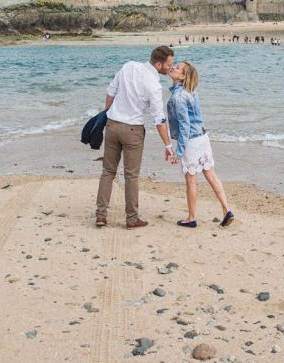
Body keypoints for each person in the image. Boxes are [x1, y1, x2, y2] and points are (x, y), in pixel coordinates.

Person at [96, 45, 176, 229]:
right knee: (131, 176)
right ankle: (131, 219)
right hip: (133, 131)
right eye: (168, 65)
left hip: (113, 125)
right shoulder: (154, 85)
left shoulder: (128, 66)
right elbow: (159, 118)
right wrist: (167, 145)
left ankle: (101, 215)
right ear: (158, 64)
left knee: (108, 171)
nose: (170, 68)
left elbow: (110, 92)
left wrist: (107, 116)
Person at [166, 61, 233, 228]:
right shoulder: (191, 91)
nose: (173, 67)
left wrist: (178, 152)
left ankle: (191, 218)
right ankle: (226, 210)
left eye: (177, 67)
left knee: (191, 180)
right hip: (203, 137)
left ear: (182, 76)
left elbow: (184, 126)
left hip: (191, 141)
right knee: (210, 174)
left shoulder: (179, 96)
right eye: (174, 65)